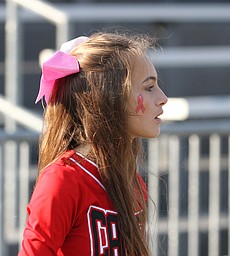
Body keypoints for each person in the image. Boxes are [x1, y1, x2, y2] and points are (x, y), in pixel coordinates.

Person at [19, 31, 168, 256]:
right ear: (108, 98)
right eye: (149, 88)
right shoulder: (64, 179)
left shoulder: (132, 182)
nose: (163, 98)